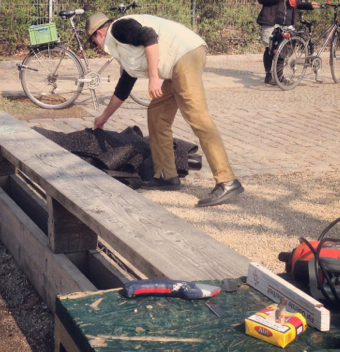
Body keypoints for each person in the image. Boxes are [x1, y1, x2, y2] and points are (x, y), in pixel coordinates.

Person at [85, 11, 244, 207]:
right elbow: (123, 88)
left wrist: (153, 78)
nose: (96, 47)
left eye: (93, 42)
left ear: (99, 33)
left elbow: (149, 37)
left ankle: (227, 180)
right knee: (157, 114)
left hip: (185, 56)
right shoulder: (122, 45)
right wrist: (104, 117)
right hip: (178, 62)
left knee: (197, 117)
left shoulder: (118, 28)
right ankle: (168, 176)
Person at [257, 0, 319, 85]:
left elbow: (296, 4)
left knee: (283, 51)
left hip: (286, 24)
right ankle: (269, 76)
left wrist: (309, 5)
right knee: (269, 49)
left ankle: (279, 77)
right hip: (271, 22)